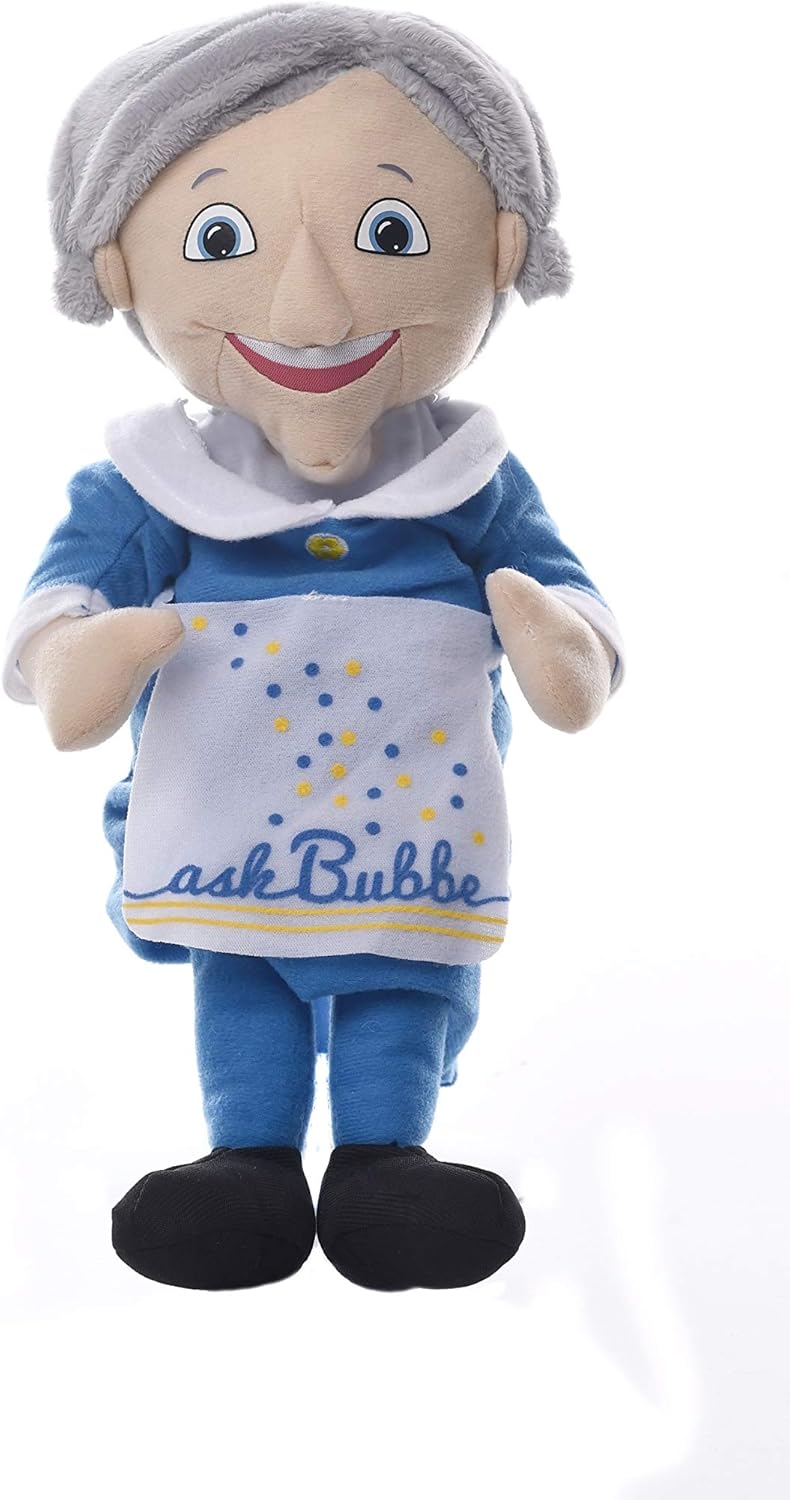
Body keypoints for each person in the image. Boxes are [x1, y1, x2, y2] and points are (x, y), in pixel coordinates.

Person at [4, 4, 624, 1293]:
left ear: (501, 248)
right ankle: (250, 1157)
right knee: (244, 975)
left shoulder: (469, 479)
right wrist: (75, 659)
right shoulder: (154, 481)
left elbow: (572, 602)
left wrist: (558, 642)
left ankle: (389, 1156)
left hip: (412, 826)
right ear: (122, 269)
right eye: (219, 240)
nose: (308, 307)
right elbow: (60, 603)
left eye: (391, 234)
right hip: (230, 820)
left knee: (401, 975)